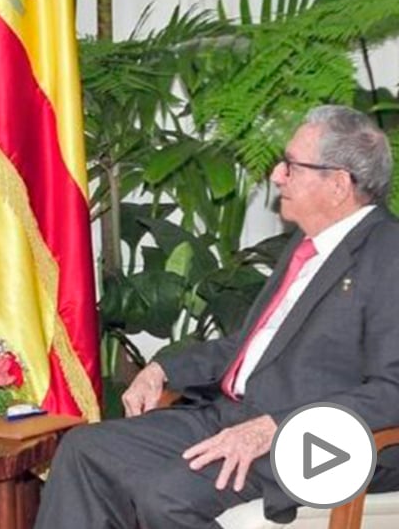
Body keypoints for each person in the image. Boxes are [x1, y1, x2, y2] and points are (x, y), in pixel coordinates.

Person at [35, 105, 399, 529]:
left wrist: (274, 428)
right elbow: (251, 347)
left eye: (292, 166)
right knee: (84, 448)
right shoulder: (309, 246)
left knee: (165, 495)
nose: (277, 175)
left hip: (312, 443)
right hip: (231, 416)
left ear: (338, 184)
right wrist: (161, 367)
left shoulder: (388, 254)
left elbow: (392, 389)